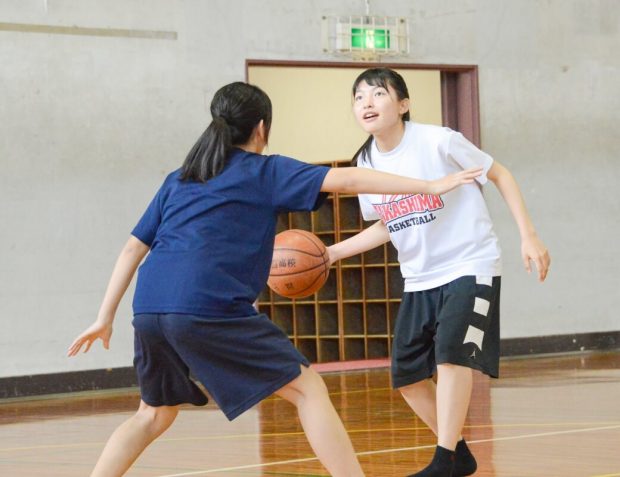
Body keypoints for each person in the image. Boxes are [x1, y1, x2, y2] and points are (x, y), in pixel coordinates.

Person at [67, 81, 482, 477]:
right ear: (261, 128)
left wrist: (104, 316)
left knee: (152, 414)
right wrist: (430, 184)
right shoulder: (262, 171)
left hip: (150, 308)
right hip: (205, 306)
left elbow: (132, 249)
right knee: (308, 390)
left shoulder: (180, 178)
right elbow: (350, 180)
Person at [327, 68, 550, 477]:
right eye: (359, 98)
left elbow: (499, 173)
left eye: (378, 94)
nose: (367, 103)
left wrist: (528, 235)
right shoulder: (365, 164)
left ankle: (443, 460)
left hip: (470, 262)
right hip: (419, 276)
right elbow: (386, 223)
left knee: (450, 355)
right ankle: (459, 453)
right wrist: (330, 253)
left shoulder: (439, 140)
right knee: (408, 376)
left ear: (404, 104)